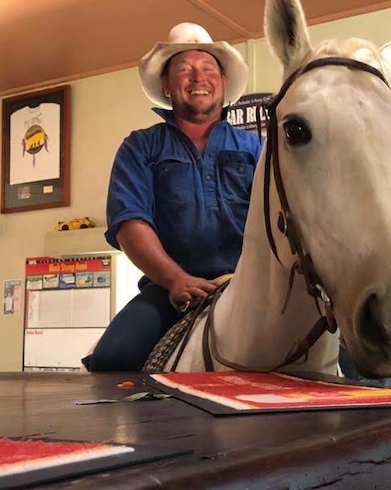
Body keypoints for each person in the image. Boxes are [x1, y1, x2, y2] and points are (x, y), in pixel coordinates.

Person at [87, 23, 263, 372]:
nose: (198, 78)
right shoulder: (140, 147)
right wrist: (174, 279)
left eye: (208, 69)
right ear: (166, 85)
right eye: (184, 70)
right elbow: (129, 221)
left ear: (223, 82)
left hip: (254, 287)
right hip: (170, 290)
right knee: (113, 359)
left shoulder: (258, 148)